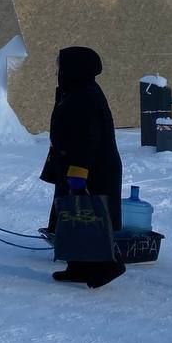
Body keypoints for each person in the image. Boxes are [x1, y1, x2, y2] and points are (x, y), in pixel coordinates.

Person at [40, 46, 125, 289]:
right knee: (73, 216)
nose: (57, 67)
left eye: (60, 63)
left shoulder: (85, 95)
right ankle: (77, 266)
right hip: (74, 165)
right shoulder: (74, 91)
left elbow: (88, 138)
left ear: (74, 67)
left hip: (92, 169)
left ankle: (108, 265)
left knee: (89, 216)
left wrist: (79, 172)